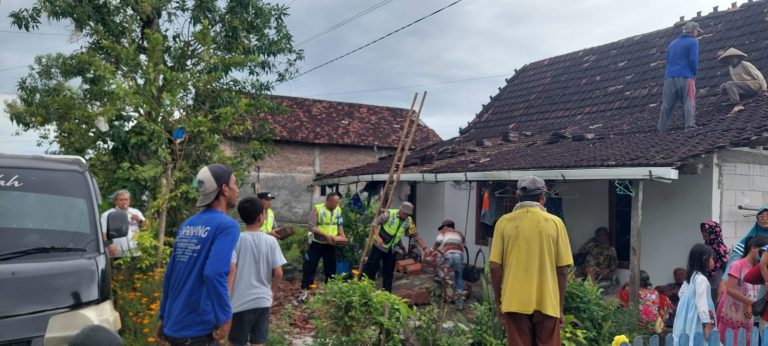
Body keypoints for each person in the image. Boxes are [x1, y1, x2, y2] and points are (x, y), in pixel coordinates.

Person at [157, 164, 241, 346]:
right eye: (234, 183)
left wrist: (163, 316)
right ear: (224, 189)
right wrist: (225, 317)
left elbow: (171, 274)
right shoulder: (227, 226)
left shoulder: (188, 224)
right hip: (197, 330)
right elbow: (214, 273)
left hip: (175, 325)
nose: (237, 189)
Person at [489, 176, 572, 346]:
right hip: (547, 302)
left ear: (518, 196)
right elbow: (563, 270)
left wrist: (499, 303)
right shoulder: (555, 223)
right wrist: (560, 307)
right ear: (542, 197)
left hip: (514, 302)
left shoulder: (503, 223)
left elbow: (494, 267)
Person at [228, 197, 286, 346]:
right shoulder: (271, 241)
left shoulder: (236, 239)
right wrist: (271, 293)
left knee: (236, 342)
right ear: (261, 217)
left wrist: (227, 296)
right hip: (262, 300)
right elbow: (278, 273)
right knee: (258, 342)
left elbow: (231, 269)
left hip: (239, 302)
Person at [363, 201, 429, 293]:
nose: (405, 215)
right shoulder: (389, 214)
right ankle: (365, 290)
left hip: (392, 249)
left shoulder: (409, 221)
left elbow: (415, 235)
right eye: (404, 213)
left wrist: (424, 248)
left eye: (408, 214)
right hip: (379, 246)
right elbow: (374, 223)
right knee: (371, 268)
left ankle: (386, 295)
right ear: (400, 210)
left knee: (389, 273)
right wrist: (377, 237)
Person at [717, 234, 768, 345]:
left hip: (747, 318)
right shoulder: (738, 264)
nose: (763, 255)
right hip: (733, 316)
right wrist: (752, 303)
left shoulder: (758, 269)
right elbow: (730, 289)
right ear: (753, 247)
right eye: (761, 251)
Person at [299, 192, 346, 301]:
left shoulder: (338, 209)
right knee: (310, 266)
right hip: (317, 243)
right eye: (335, 202)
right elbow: (311, 226)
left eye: (338, 202)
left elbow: (339, 225)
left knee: (331, 268)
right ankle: (305, 290)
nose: (337, 204)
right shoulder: (317, 209)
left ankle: (330, 290)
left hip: (331, 244)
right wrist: (325, 235)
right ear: (328, 201)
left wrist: (343, 237)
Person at [658, 21, 703, 132]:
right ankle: (689, 125)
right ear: (693, 31)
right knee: (689, 100)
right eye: (697, 31)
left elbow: (668, 61)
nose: (697, 33)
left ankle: (661, 129)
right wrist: (694, 73)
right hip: (686, 76)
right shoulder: (693, 42)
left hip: (669, 77)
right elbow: (693, 60)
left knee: (667, 104)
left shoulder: (672, 44)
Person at [673, 243, 717, 346]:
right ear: (705, 260)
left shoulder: (691, 277)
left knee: (686, 338)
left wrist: (688, 306)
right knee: (700, 340)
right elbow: (702, 303)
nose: (713, 261)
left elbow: (681, 294)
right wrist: (707, 323)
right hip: (700, 318)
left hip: (687, 317)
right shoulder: (701, 279)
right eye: (712, 258)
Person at [717, 47, 768, 115]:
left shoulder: (744, 64)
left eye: (733, 57)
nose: (731, 60)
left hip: (753, 86)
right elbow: (736, 84)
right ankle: (745, 99)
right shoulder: (730, 68)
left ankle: (737, 105)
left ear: (737, 57)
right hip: (744, 88)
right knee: (723, 87)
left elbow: (759, 76)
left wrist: (764, 90)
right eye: (729, 58)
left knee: (729, 84)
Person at [431, 219, 467, 309]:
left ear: (446, 226)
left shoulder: (444, 231)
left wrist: (431, 251)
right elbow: (463, 244)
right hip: (459, 256)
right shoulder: (459, 233)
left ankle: (445, 299)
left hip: (448, 256)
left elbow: (437, 243)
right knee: (459, 279)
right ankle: (460, 304)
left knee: (443, 276)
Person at [100, 189, 145, 258]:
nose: (124, 202)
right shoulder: (107, 215)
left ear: (129, 201)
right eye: (121, 200)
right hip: (117, 254)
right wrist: (109, 245)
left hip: (136, 252)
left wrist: (139, 220)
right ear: (115, 201)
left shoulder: (136, 212)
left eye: (126, 199)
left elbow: (147, 228)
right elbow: (103, 233)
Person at [700, 220, 729, 301]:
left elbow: (727, 268)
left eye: (706, 231)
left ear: (714, 232)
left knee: (716, 303)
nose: (704, 234)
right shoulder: (704, 247)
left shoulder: (721, 248)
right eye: (703, 231)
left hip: (716, 283)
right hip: (704, 281)